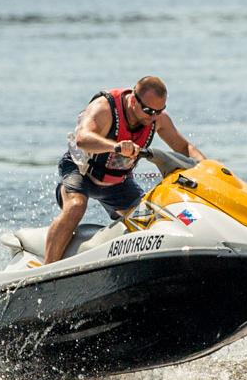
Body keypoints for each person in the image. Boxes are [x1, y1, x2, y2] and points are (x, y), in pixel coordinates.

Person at [45, 76, 205, 263]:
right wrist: (115, 146)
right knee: (76, 206)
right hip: (81, 171)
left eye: (158, 111)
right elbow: (83, 139)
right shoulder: (104, 108)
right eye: (148, 110)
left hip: (116, 182)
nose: (153, 116)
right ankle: (46, 270)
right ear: (133, 100)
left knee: (151, 220)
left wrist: (207, 168)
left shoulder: (157, 119)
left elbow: (185, 149)